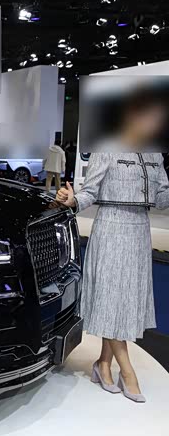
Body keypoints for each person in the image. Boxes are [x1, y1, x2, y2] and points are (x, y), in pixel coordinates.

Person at [57, 88, 169, 402]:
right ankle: (127, 370)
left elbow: (162, 197)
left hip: (139, 230)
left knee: (124, 299)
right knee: (111, 297)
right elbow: (90, 192)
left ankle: (103, 363)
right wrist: (72, 201)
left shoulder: (154, 154)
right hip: (111, 226)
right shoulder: (107, 148)